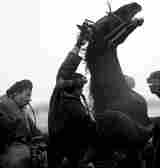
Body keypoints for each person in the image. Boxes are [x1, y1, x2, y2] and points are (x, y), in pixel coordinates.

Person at [48, 28, 96, 167]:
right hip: (74, 157)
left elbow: (65, 69)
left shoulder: (58, 95)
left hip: (57, 154)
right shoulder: (75, 108)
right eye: (81, 87)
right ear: (78, 89)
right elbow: (91, 129)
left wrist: (79, 45)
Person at [0, 79, 45, 168]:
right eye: (27, 95)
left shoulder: (23, 111)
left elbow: (34, 130)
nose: (29, 99)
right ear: (16, 94)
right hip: (8, 151)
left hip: (24, 147)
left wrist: (44, 139)